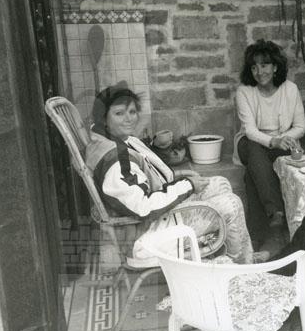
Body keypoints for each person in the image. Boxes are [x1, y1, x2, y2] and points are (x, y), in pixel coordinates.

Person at [85, 85, 254, 268]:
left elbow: (143, 178)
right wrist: (187, 185)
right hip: (144, 236)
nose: (129, 119)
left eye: (132, 112)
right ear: (104, 118)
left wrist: (178, 176)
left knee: (220, 183)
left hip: (154, 220)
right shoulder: (116, 161)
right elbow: (143, 206)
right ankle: (241, 267)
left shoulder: (117, 140)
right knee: (231, 204)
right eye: (119, 113)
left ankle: (235, 255)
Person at [233, 39, 305, 258]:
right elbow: (250, 131)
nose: (259, 72)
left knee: (252, 175)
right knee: (255, 151)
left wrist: (283, 139)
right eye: (254, 67)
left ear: (275, 67)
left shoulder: (290, 89)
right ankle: (276, 213)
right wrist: (273, 141)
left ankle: (259, 237)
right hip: (250, 144)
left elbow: (300, 127)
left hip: (282, 143)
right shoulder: (244, 91)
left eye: (264, 65)